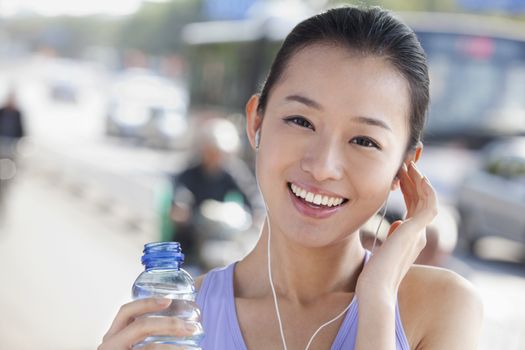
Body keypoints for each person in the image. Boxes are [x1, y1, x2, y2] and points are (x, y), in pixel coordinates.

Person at [99, 6, 483, 350]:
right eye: (301, 121)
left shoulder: (440, 308)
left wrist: (379, 297)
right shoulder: (176, 321)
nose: (322, 166)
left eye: (364, 140)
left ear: (405, 166)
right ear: (256, 122)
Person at [169, 118, 262, 263]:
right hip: (192, 234)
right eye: (213, 152)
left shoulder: (233, 171)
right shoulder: (189, 173)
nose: (217, 157)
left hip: (222, 233)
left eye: (221, 153)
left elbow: (250, 194)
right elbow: (180, 197)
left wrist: (257, 214)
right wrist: (181, 209)